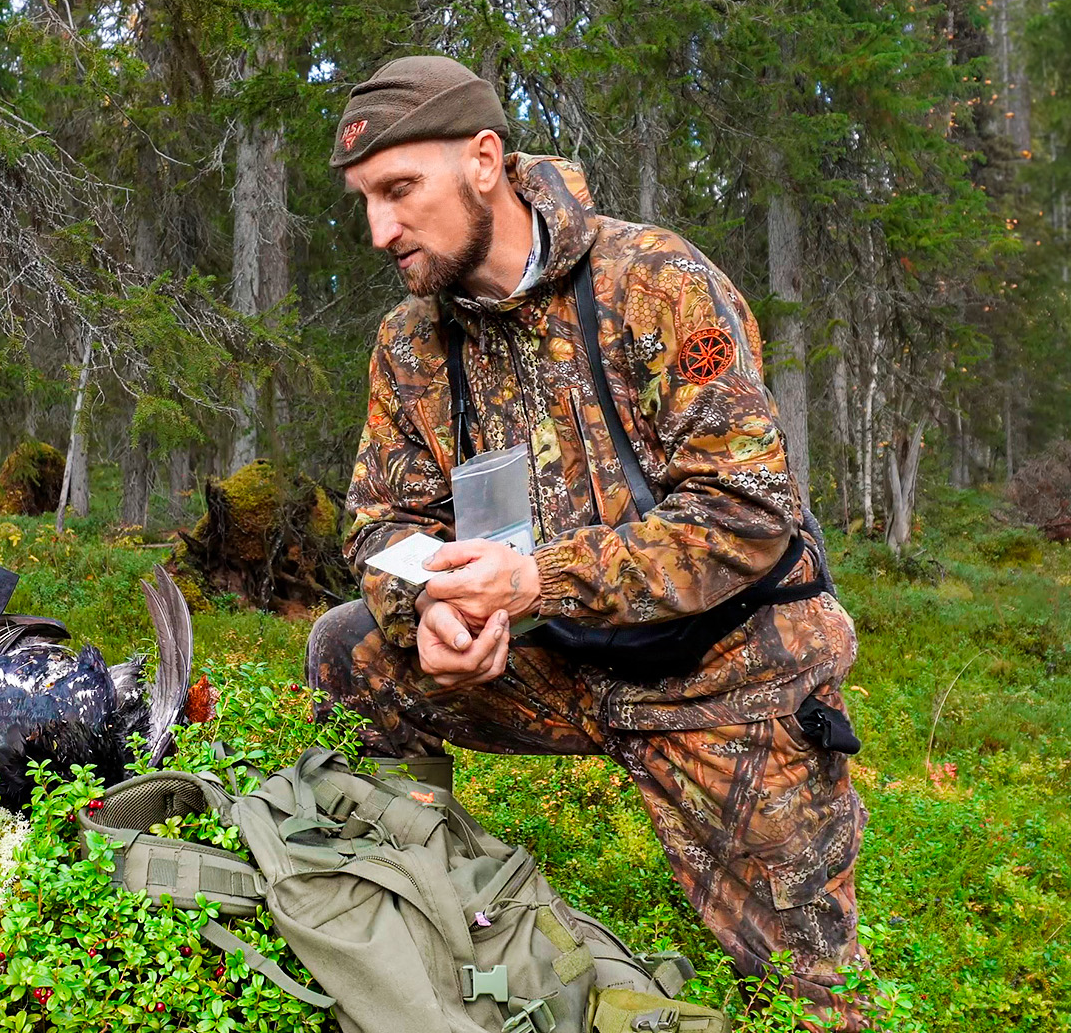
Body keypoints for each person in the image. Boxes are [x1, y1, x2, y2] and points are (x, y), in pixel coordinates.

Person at [306, 54, 869, 1029]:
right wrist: (431, 607)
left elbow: (746, 513)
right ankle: (413, 912)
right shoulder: (410, 343)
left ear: (485, 159)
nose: (380, 229)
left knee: (818, 995)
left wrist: (536, 579)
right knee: (351, 648)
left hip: (728, 676)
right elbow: (382, 521)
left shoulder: (651, 279)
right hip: (557, 668)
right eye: (364, 201)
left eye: (400, 191)